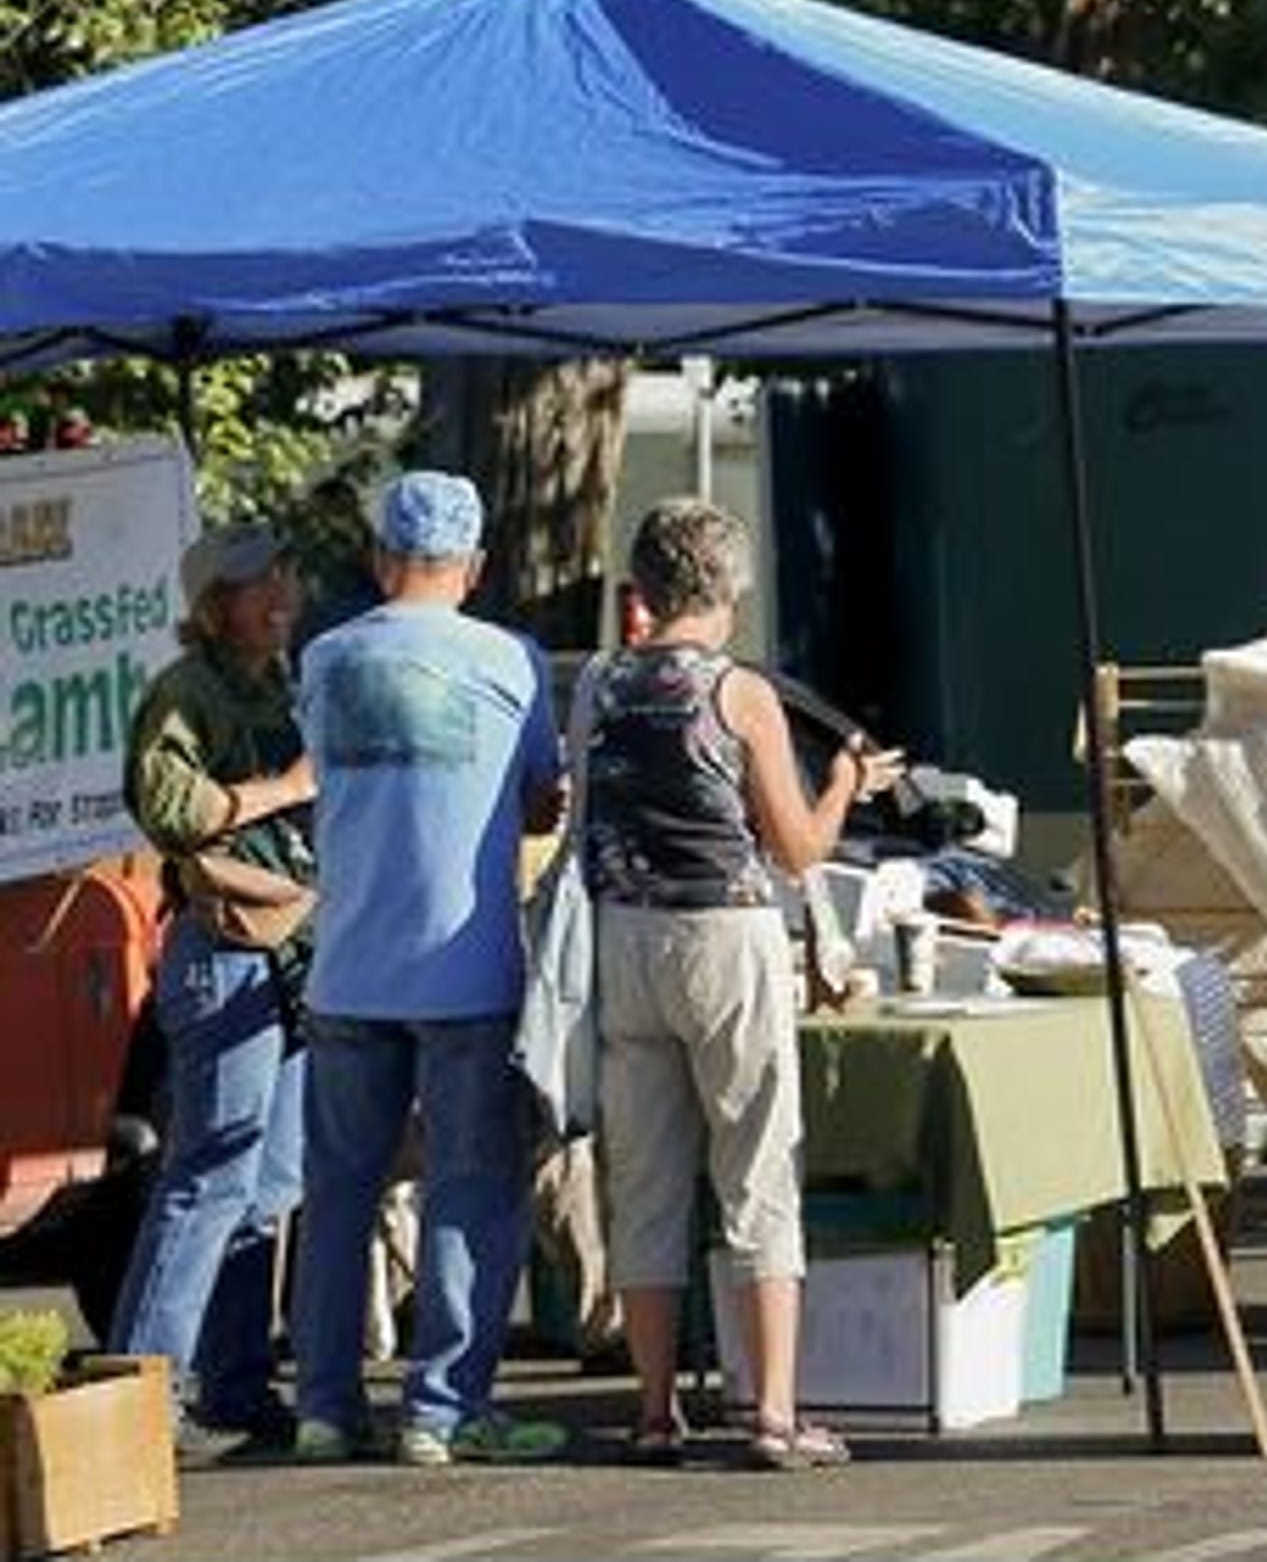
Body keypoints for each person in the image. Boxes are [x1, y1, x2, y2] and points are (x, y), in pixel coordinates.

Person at [584, 497, 902, 1469]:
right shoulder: (739, 692)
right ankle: (771, 1412)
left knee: (643, 1183)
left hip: (623, 934)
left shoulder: (598, 684)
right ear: (727, 584)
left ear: (643, 583)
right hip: (725, 932)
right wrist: (849, 781)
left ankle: (650, 1411)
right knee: (756, 1167)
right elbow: (798, 849)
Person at [289, 471, 572, 1465]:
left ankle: (323, 1407)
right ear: (477, 565)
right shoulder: (511, 660)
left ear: (378, 558)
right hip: (466, 969)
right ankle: (442, 1412)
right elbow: (544, 801)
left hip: (346, 966)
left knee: (337, 1193)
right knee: (466, 1188)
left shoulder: (324, 659)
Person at [113, 525, 316, 1464]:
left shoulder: (282, 681)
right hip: (223, 949)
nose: (278, 595)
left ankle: (237, 1382)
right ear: (213, 606)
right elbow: (174, 810)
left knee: (268, 1184)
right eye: (254, 584)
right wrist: (286, 786)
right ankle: (140, 1396)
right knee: (207, 1178)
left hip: (286, 952)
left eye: (281, 576)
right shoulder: (183, 692)